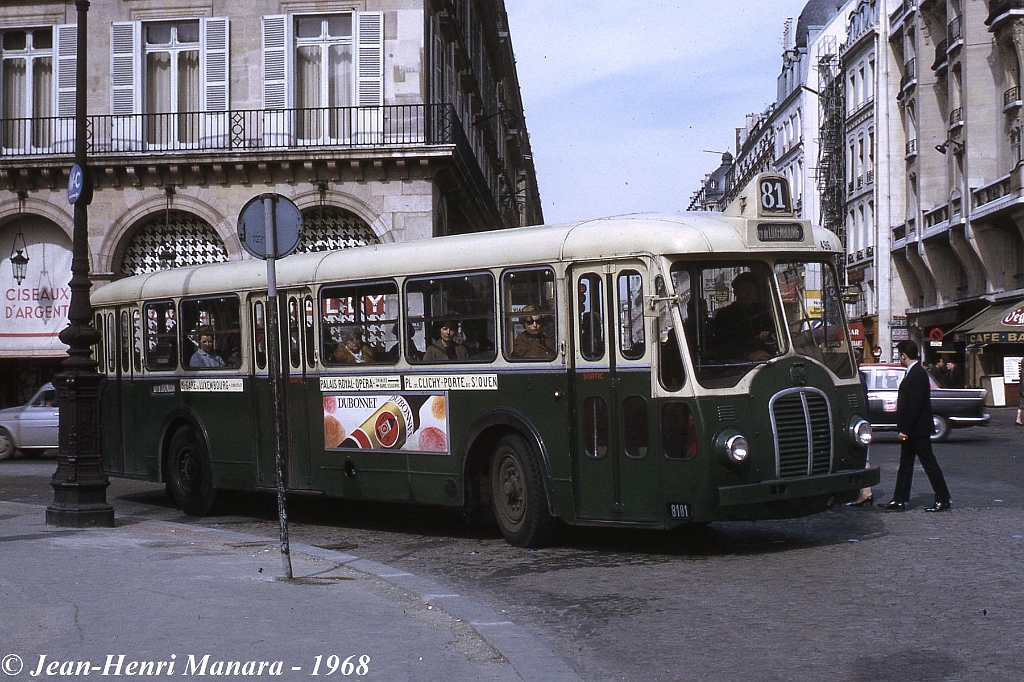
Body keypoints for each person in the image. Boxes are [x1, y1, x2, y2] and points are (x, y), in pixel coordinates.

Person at [881, 340, 952, 512]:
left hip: (917, 429)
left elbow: (915, 404)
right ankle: (899, 499)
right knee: (905, 463)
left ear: (904, 355)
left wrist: (905, 429)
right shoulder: (913, 372)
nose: (899, 357)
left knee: (928, 463)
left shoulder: (918, 374)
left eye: (899, 354)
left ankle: (943, 498)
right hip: (914, 428)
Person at [711, 272, 775, 361]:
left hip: (766, 358)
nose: (748, 293)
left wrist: (767, 336)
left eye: (751, 289)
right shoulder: (725, 314)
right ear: (736, 292)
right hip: (738, 365)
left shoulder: (761, 310)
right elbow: (722, 344)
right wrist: (747, 355)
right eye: (744, 289)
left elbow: (772, 331)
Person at [846, 369, 874, 507]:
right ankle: (865, 491)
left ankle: (866, 492)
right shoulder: (861, 379)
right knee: (864, 458)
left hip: (859, 424)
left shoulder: (856, 381)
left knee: (863, 458)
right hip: (862, 422)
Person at [1017, 356, 1024, 426]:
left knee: (1021, 405)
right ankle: (1018, 419)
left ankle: (1018, 419)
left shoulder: (1022, 370)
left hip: (1022, 389)